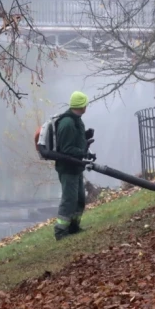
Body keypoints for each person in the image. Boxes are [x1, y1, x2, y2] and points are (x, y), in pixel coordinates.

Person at [53, 91, 95, 241]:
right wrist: (84, 152)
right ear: (82, 105)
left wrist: (85, 136)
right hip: (68, 169)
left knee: (79, 199)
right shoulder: (67, 123)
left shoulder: (77, 120)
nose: (86, 107)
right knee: (69, 200)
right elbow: (66, 149)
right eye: (85, 104)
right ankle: (60, 232)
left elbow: (74, 140)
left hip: (76, 167)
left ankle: (74, 227)